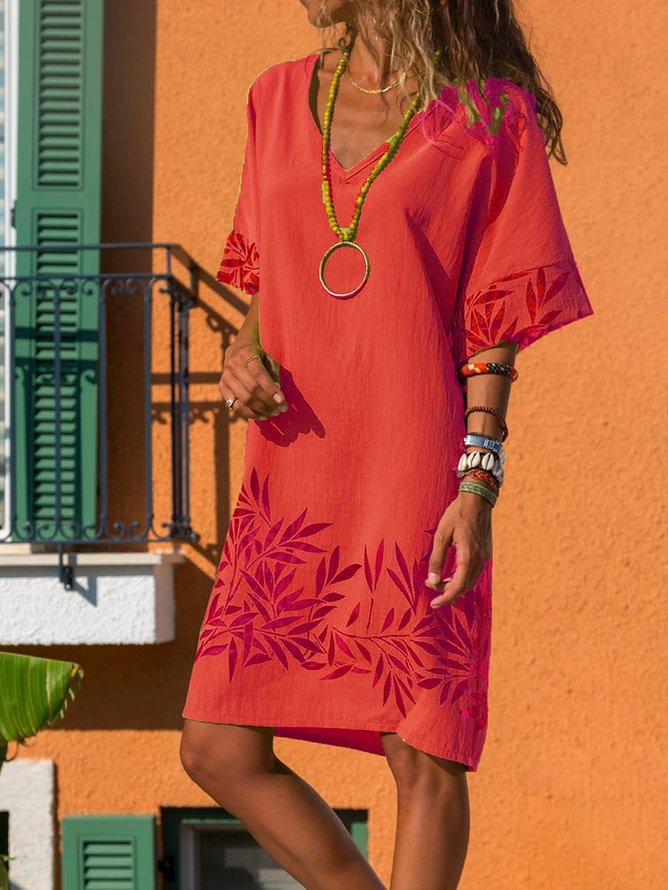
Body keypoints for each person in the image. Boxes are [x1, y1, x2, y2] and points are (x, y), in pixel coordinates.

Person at [180, 1, 595, 887]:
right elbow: (268, 275)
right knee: (215, 745)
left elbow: (496, 320)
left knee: (422, 749)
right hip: (293, 468)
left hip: (413, 461)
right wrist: (243, 354)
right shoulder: (276, 97)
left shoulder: (489, 117)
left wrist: (477, 487)